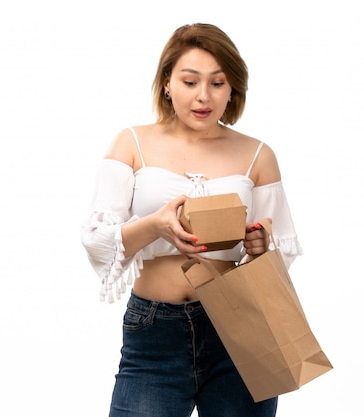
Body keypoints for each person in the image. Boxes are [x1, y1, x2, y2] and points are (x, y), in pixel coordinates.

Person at [81, 23, 303, 417]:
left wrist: (259, 248)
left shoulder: (258, 155)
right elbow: (96, 241)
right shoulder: (132, 143)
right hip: (154, 334)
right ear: (167, 82)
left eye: (217, 83)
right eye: (190, 81)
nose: (203, 96)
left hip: (239, 332)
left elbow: (279, 260)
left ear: (233, 88)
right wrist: (155, 225)